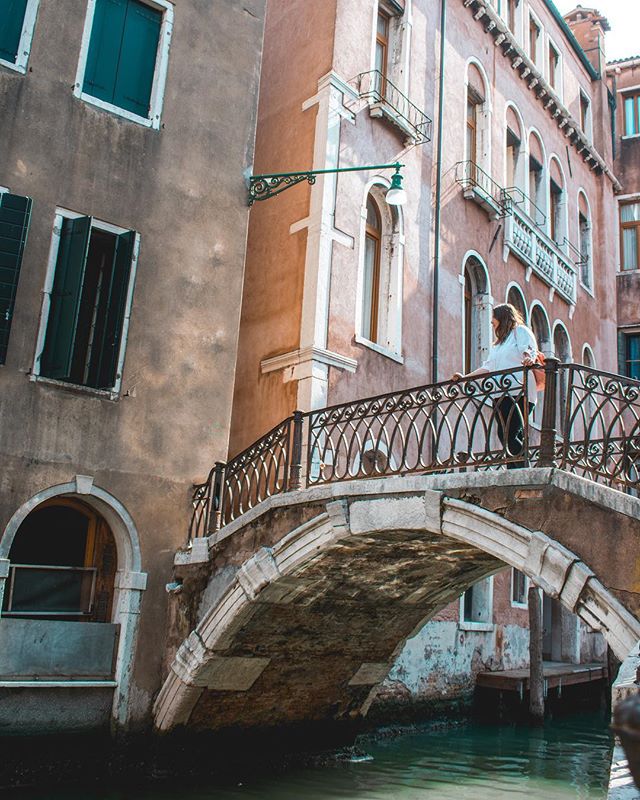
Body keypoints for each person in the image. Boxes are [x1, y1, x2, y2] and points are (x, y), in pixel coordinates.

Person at [452, 303, 538, 467]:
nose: (492, 325)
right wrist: (465, 377)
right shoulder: (498, 345)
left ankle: (522, 470)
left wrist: (528, 358)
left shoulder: (520, 331)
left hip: (519, 390)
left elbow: (528, 349)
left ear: (502, 318)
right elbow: (488, 366)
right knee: (503, 433)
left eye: (493, 321)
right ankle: (514, 469)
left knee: (512, 432)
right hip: (500, 393)